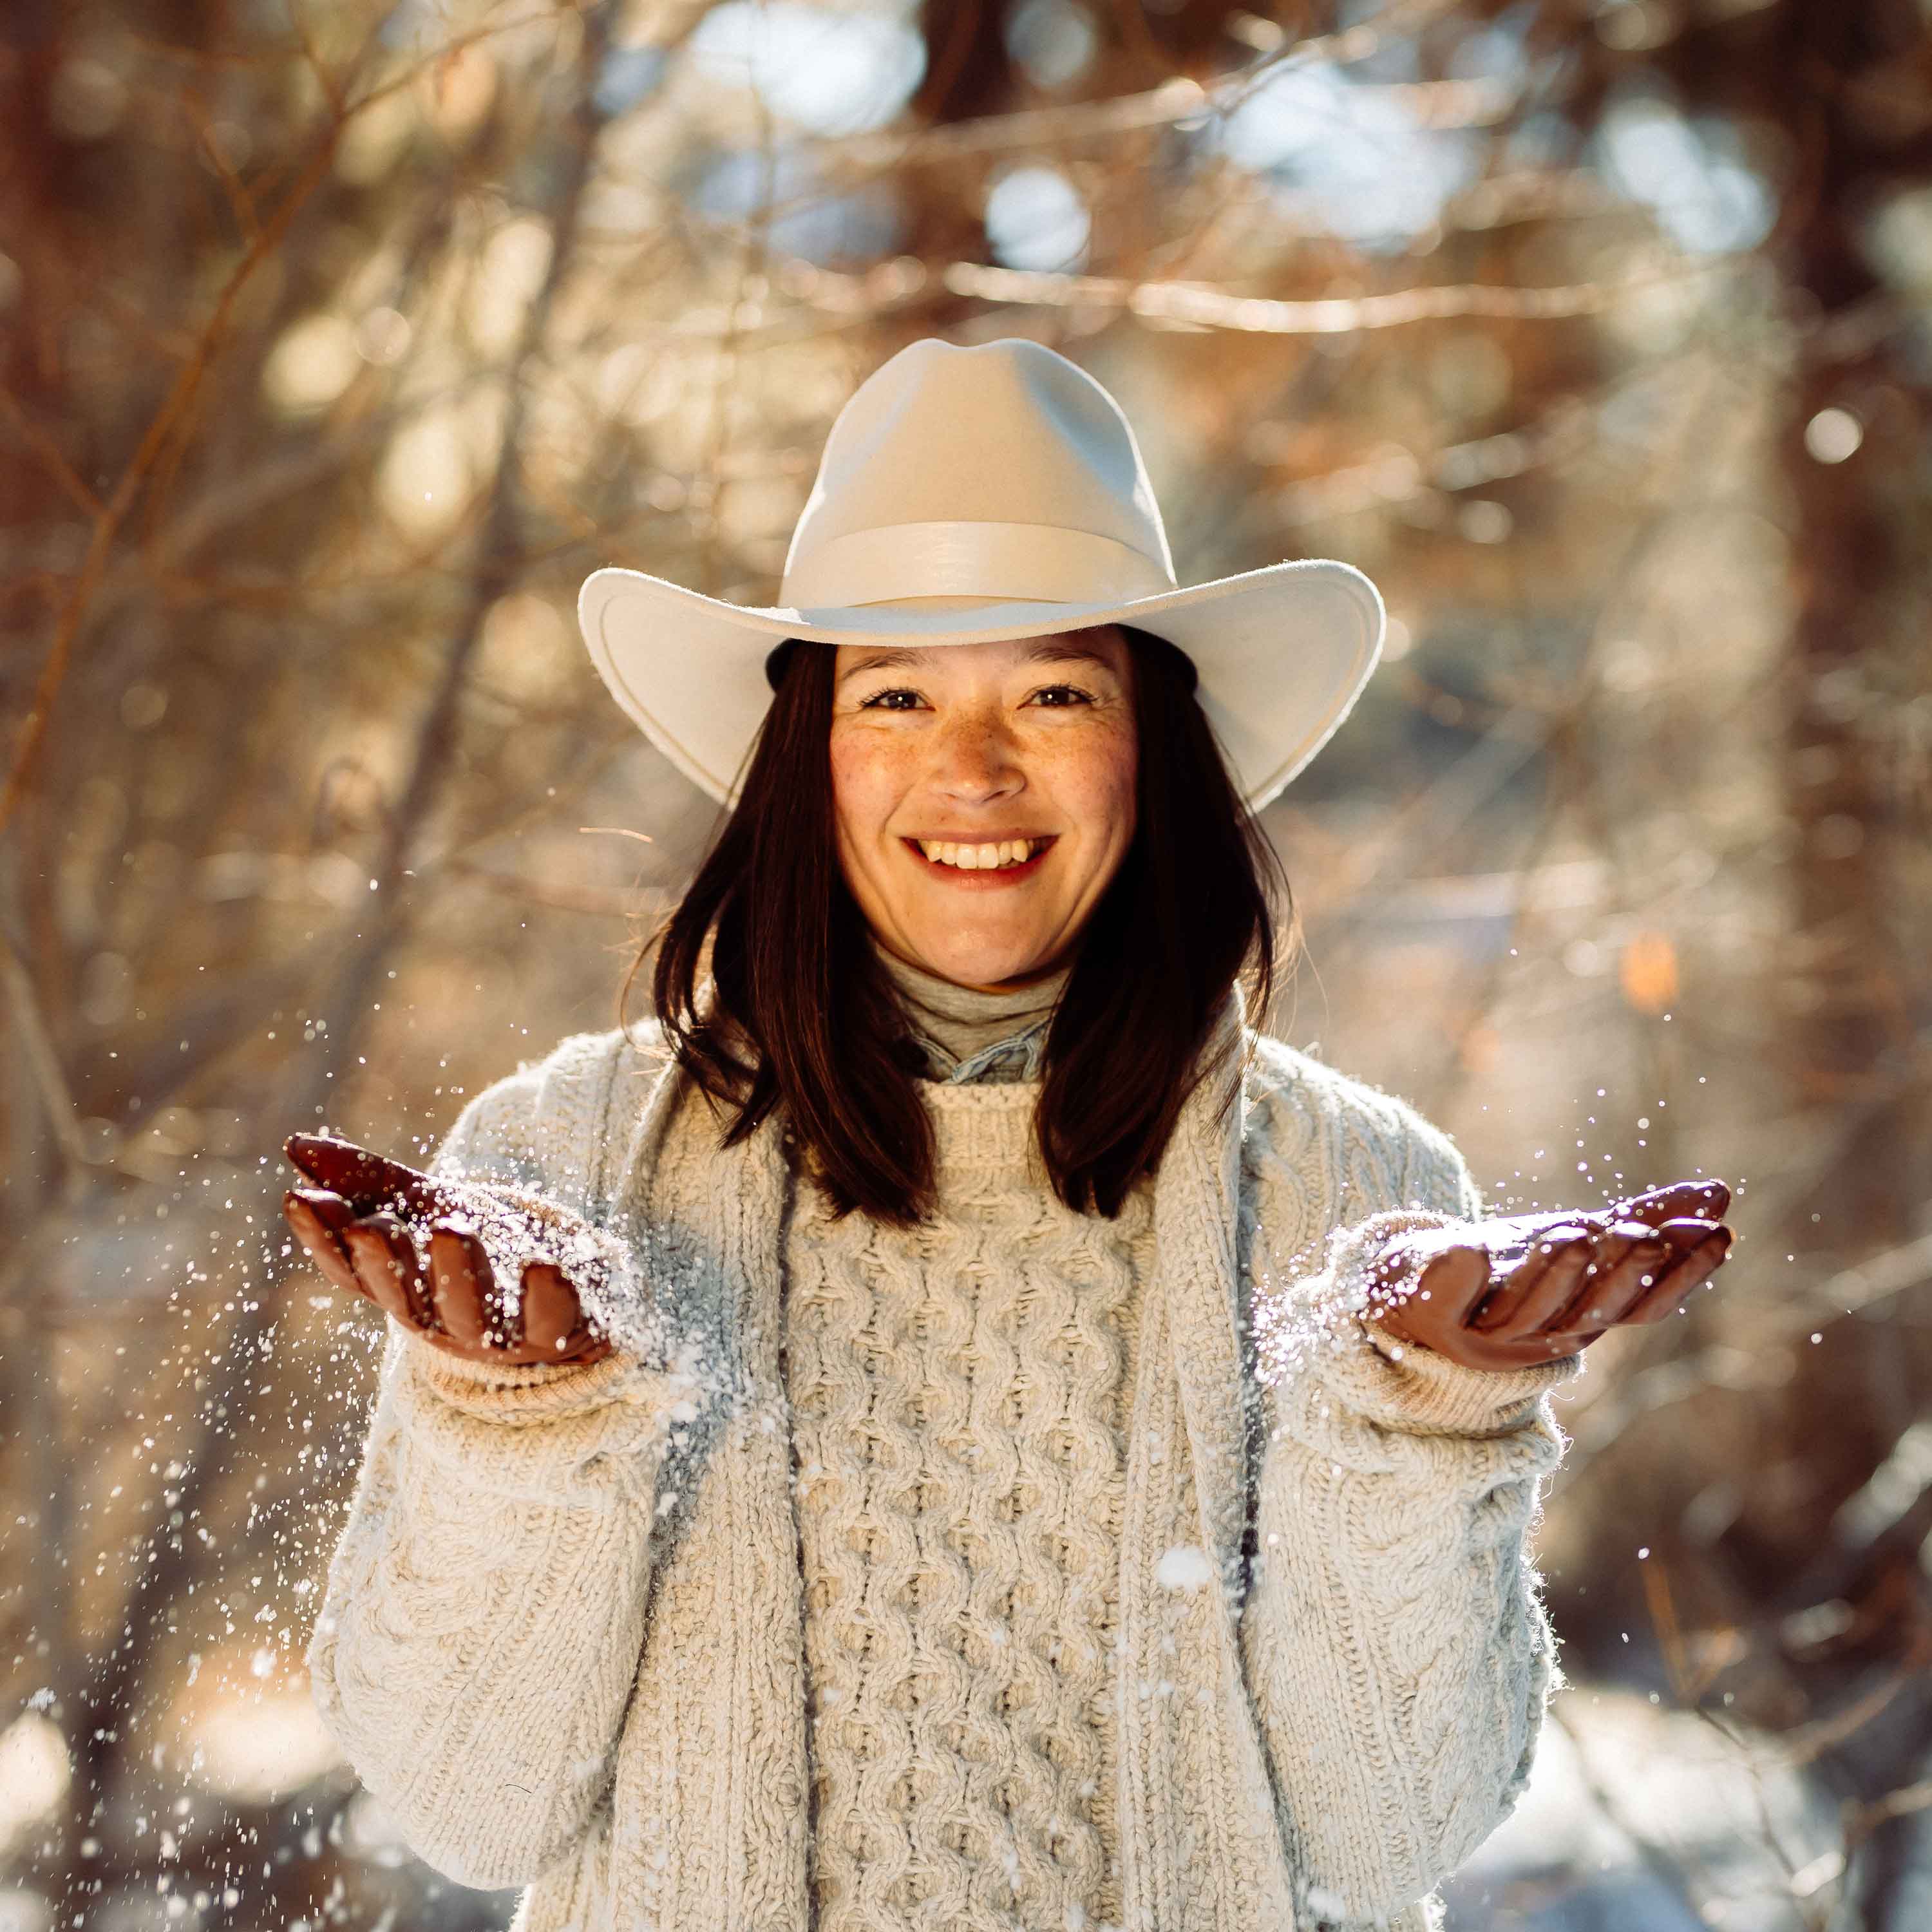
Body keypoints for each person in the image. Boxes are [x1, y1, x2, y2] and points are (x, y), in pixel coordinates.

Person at [284, 339, 1734, 1932]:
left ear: (1153, 745)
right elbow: (467, 1808)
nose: (972, 770)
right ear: (804, 756)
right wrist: (515, 1426)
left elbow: (1392, 1833)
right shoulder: (566, 1160)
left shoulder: (1359, 1195)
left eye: (1054, 691)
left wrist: (1422, 1425)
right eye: (895, 695)